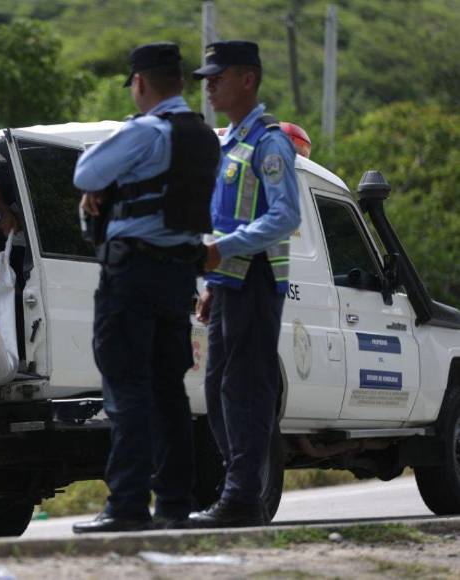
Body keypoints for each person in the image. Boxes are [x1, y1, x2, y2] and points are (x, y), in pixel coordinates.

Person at [71, 42, 220, 534]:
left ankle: (127, 504)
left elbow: (85, 173)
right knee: (168, 392)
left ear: (139, 84)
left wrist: (102, 188)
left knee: (126, 388)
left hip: (131, 276)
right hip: (177, 276)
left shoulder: (145, 131)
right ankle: (175, 503)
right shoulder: (202, 136)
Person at [188, 41, 301, 528]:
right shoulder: (230, 141)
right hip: (229, 284)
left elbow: (286, 215)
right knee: (216, 390)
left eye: (219, 76)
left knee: (245, 389)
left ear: (248, 80)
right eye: (207, 77)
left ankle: (241, 498)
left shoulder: (269, 142)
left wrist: (226, 250)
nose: (209, 84)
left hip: (257, 282)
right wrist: (214, 279)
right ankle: (239, 492)